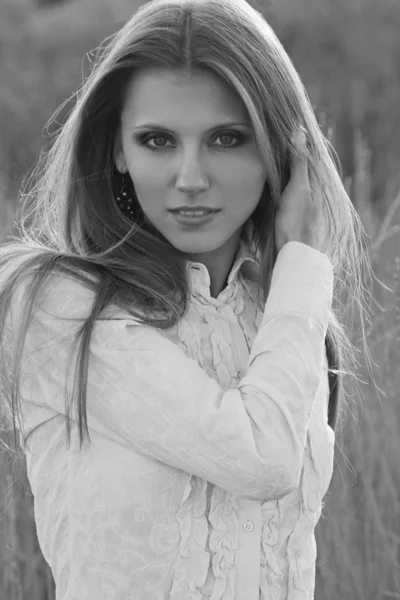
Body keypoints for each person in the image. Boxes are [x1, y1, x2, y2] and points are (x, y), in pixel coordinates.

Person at [0, 0, 372, 598]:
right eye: (157, 140)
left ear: (281, 150)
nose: (191, 177)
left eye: (227, 138)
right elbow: (262, 459)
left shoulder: (285, 318)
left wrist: (296, 285)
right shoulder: (61, 310)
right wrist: (305, 262)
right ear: (117, 150)